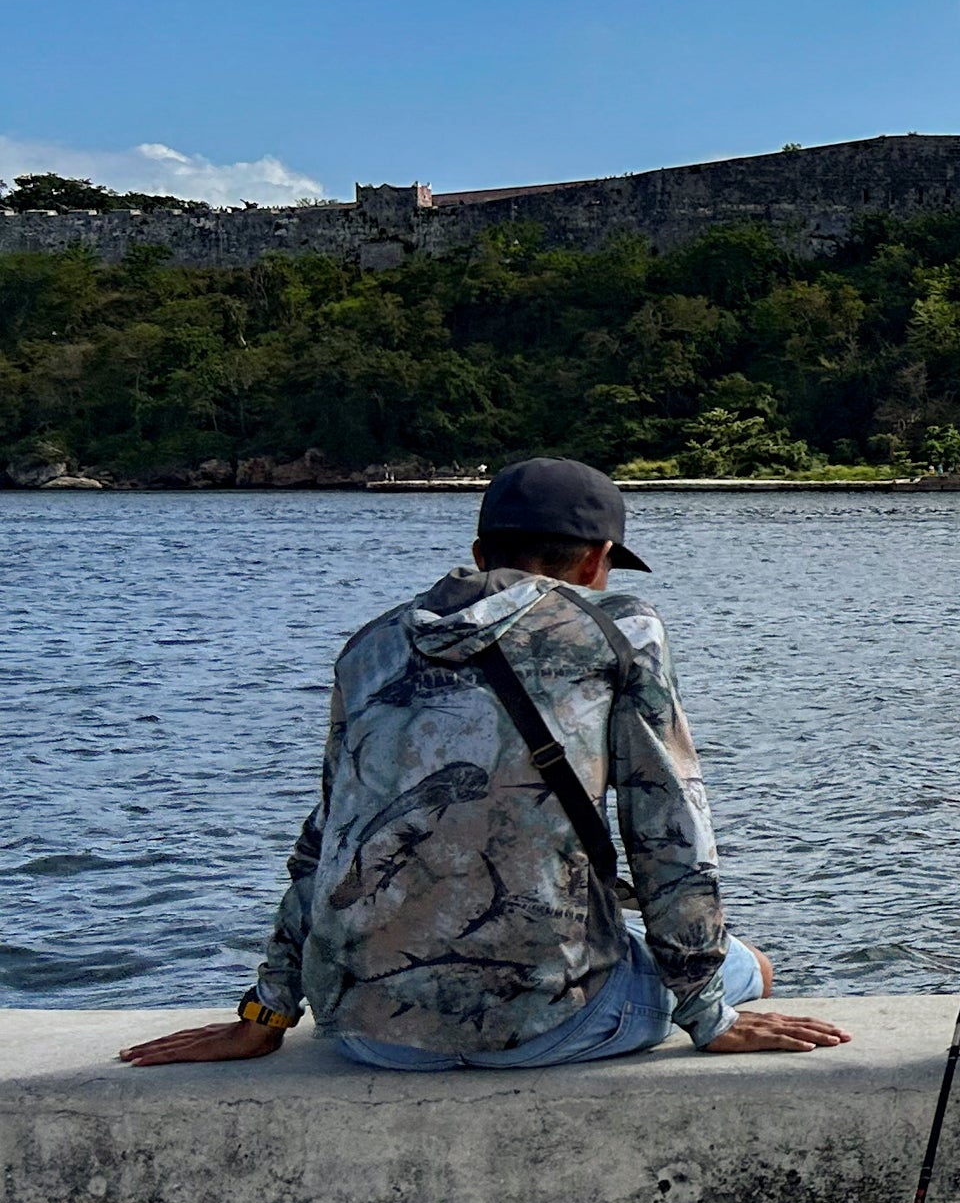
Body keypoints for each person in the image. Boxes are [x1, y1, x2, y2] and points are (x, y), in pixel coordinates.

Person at [118, 458, 847, 1071]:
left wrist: (266, 1013)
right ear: (597, 560)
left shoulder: (369, 648)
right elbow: (670, 826)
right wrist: (706, 1012)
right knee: (751, 965)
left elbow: (325, 839)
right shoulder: (618, 628)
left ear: (479, 551)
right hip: (546, 1025)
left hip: (373, 1033)